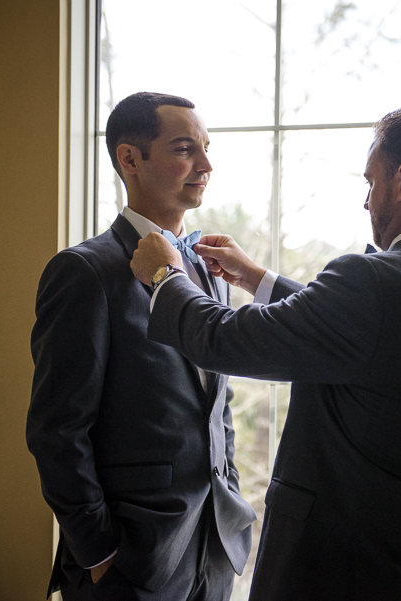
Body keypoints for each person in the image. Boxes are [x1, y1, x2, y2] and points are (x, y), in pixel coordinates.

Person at [130, 102, 401, 600]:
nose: (366, 200)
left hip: (346, 573)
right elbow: (369, 341)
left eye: (370, 181)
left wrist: (167, 276)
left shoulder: (373, 282)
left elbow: (223, 339)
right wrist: (257, 279)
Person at [27, 92, 256, 601]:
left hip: (214, 551)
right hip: (129, 562)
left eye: (206, 148)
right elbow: (57, 431)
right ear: (129, 159)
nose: (206, 165)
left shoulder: (208, 269)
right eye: (184, 149)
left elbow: (216, 408)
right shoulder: (84, 273)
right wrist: (100, 552)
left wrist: (229, 494)